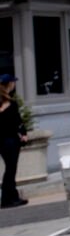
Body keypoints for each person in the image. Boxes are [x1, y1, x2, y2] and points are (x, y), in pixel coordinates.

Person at [1, 73, 26, 207]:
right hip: (11, 140)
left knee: (9, 169)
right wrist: (23, 133)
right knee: (11, 169)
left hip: (2, 141)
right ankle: (8, 198)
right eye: (13, 82)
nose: (14, 84)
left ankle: (11, 196)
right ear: (10, 84)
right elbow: (18, 121)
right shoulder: (11, 104)